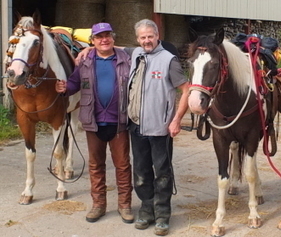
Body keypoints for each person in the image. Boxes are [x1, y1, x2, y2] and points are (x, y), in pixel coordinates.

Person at [55, 22, 134, 224]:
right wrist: (65, 87)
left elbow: (150, 47)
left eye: (107, 35)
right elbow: (74, 83)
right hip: (94, 121)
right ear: (93, 41)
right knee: (96, 166)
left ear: (113, 37)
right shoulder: (85, 62)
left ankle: (125, 206)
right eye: (99, 37)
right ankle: (98, 205)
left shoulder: (127, 58)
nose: (104, 39)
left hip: (120, 122)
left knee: (123, 166)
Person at [128, 19, 189, 236]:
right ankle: (147, 209)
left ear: (157, 35)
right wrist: (84, 52)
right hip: (136, 125)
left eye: (150, 36)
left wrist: (176, 120)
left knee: (162, 172)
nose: (146, 40)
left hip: (160, 128)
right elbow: (111, 49)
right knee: (141, 172)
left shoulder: (168, 59)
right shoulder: (136, 54)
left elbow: (186, 89)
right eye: (142, 37)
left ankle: (163, 214)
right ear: (138, 39)